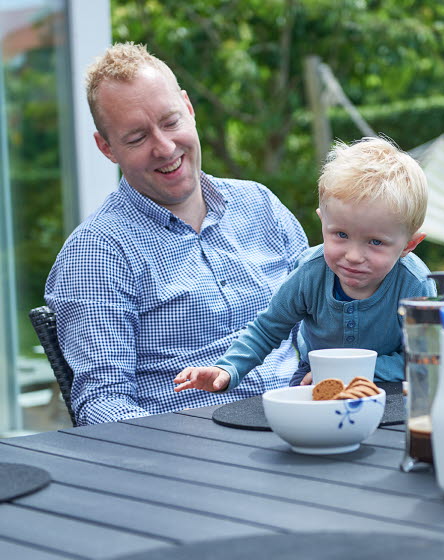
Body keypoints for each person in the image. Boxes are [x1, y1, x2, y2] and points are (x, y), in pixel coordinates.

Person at [44, 42, 308, 425]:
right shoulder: (97, 253)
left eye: (170, 122)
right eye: (137, 138)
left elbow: (324, 319)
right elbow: (103, 404)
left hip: (309, 422)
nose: (164, 147)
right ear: (107, 148)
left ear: (188, 108)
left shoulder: (260, 205)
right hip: (198, 453)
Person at [173, 136, 436, 395]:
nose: (354, 256)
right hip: (314, 375)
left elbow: (425, 359)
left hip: (388, 380)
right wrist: (228, 369)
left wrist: (350, 372)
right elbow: (268, 328)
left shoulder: (415, 284)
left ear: (408, 245)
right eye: (341, 235)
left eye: (376, 242)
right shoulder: (311, 272)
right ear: (323, 222)